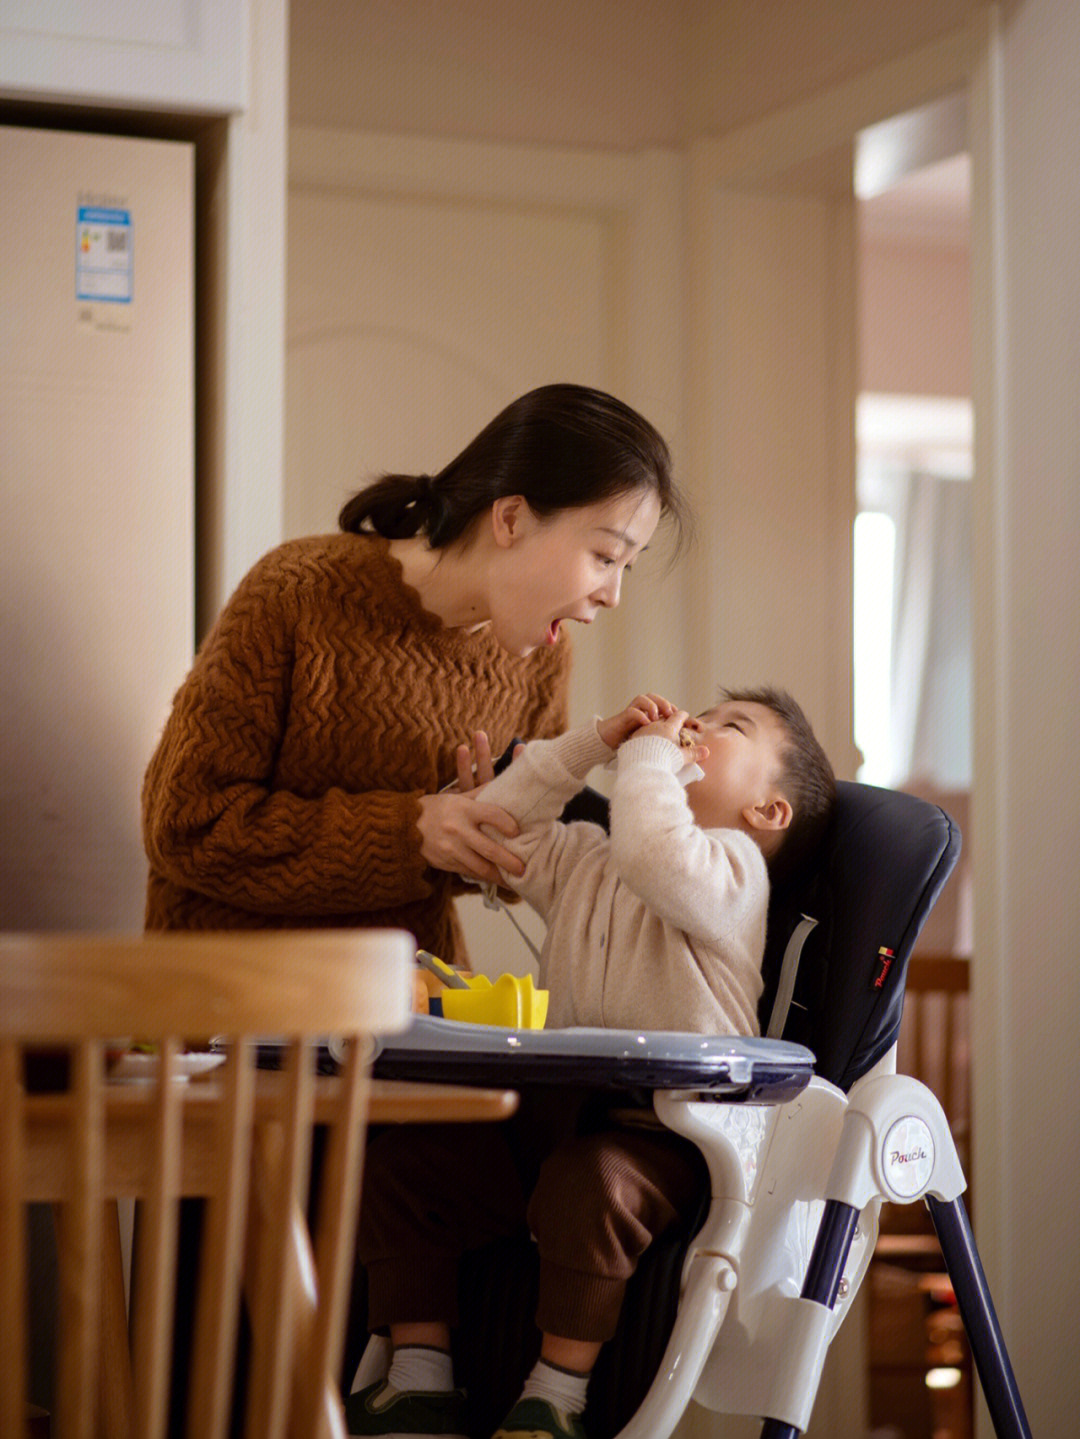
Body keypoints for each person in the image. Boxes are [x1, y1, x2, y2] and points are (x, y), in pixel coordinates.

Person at [349, 687, 836, 1439]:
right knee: (410, 1164)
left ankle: (554, 1396)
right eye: (698, 713)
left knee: (594, 1183)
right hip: (551, 1123)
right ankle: (419, 1378)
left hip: (666, 1135)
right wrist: (591, 743)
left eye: (729, 727)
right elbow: (499, 821)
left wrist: (645, 757)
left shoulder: (736, 875)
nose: (696, 725)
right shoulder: (590, 859)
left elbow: (653, 851)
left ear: (768, 811)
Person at [140, 384, 685, 963]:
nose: (614, 595)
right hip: (233, 1018)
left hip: (411, 1015)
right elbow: (184, 824)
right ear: (511, 518)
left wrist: (494, 832)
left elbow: (505, 867)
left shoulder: (545, 658)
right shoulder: (297, 594)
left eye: (628, 565)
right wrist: (409, 832)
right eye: (605, 557)